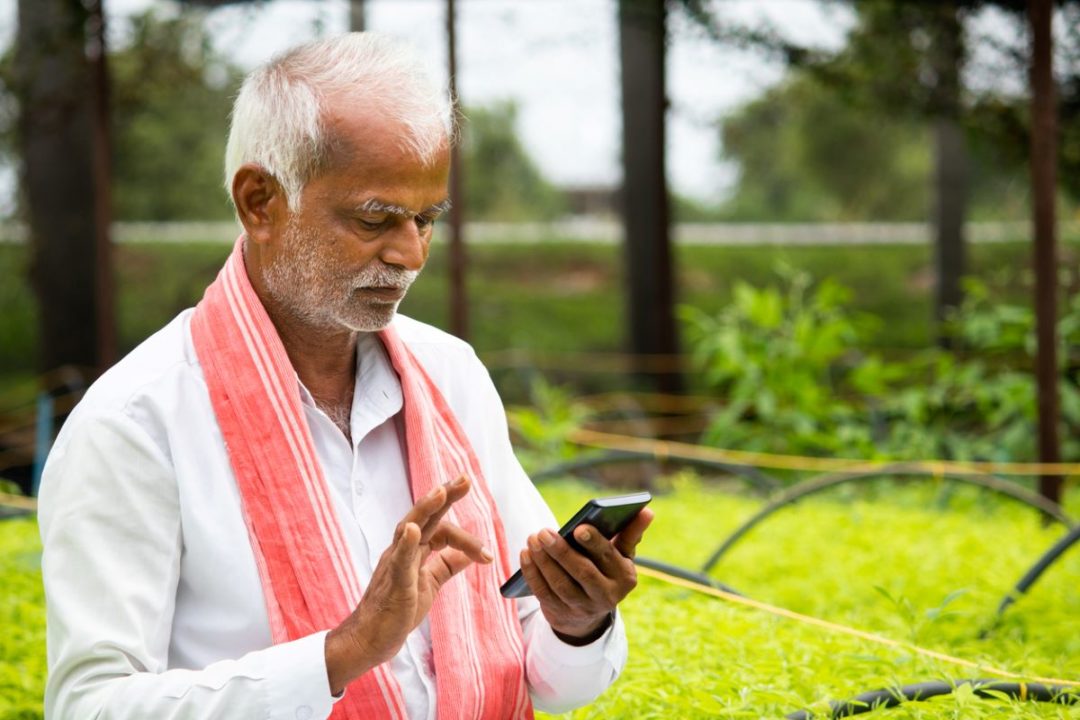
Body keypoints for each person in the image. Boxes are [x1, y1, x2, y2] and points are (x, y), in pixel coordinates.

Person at [38, 32, 653, 720]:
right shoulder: (137, 419)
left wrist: (578, 622)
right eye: (374, 218)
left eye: (426, 219)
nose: (409, 253)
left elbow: (553, 679)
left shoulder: (450, 377)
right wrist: (343, 654)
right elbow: (90, 707)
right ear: (260, 202)